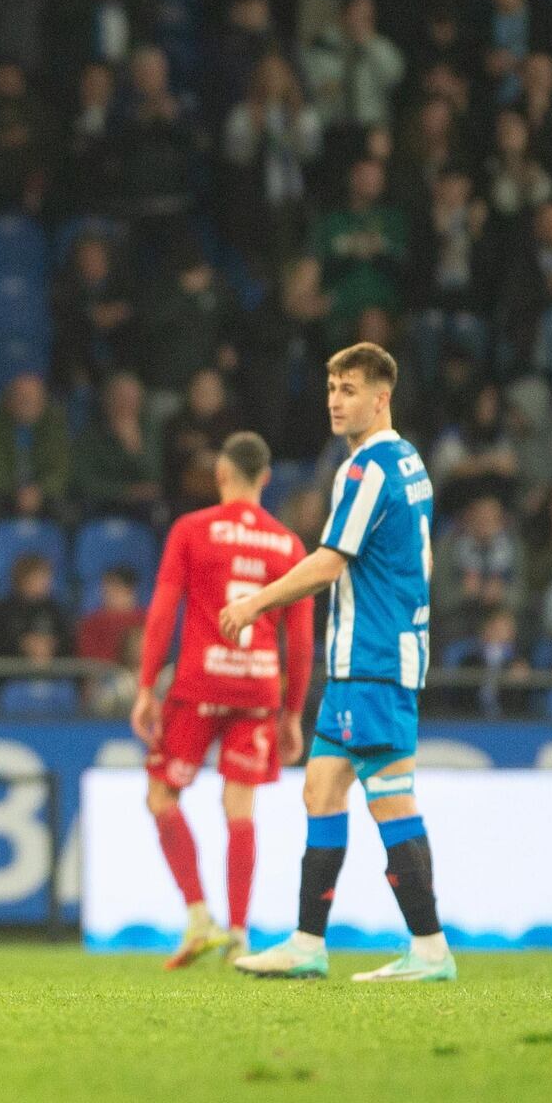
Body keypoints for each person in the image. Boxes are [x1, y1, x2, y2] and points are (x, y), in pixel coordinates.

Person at [225, 343, 455, 983]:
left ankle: (430, 947)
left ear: (381, 397)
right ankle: (307, 942)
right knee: (321, 788)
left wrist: (255, 604)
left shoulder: (368, 469)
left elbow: (330, 561)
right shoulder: (410, 462)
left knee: (390, 797)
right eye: (331, 386)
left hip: (372, 658)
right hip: (378, 656)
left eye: (349, 388)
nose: (335, 398)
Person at [131, 433, 314, 968]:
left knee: (162, 797)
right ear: (266, 479)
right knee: (241, 807)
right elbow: (300, 643)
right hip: (258, 689)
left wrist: (145, 686)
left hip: (199, 685)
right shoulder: (288, 545)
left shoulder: (192, 530)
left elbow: (164, 611)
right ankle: (239, 932)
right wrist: (294, 711)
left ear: (221, 475)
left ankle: (198, 918)